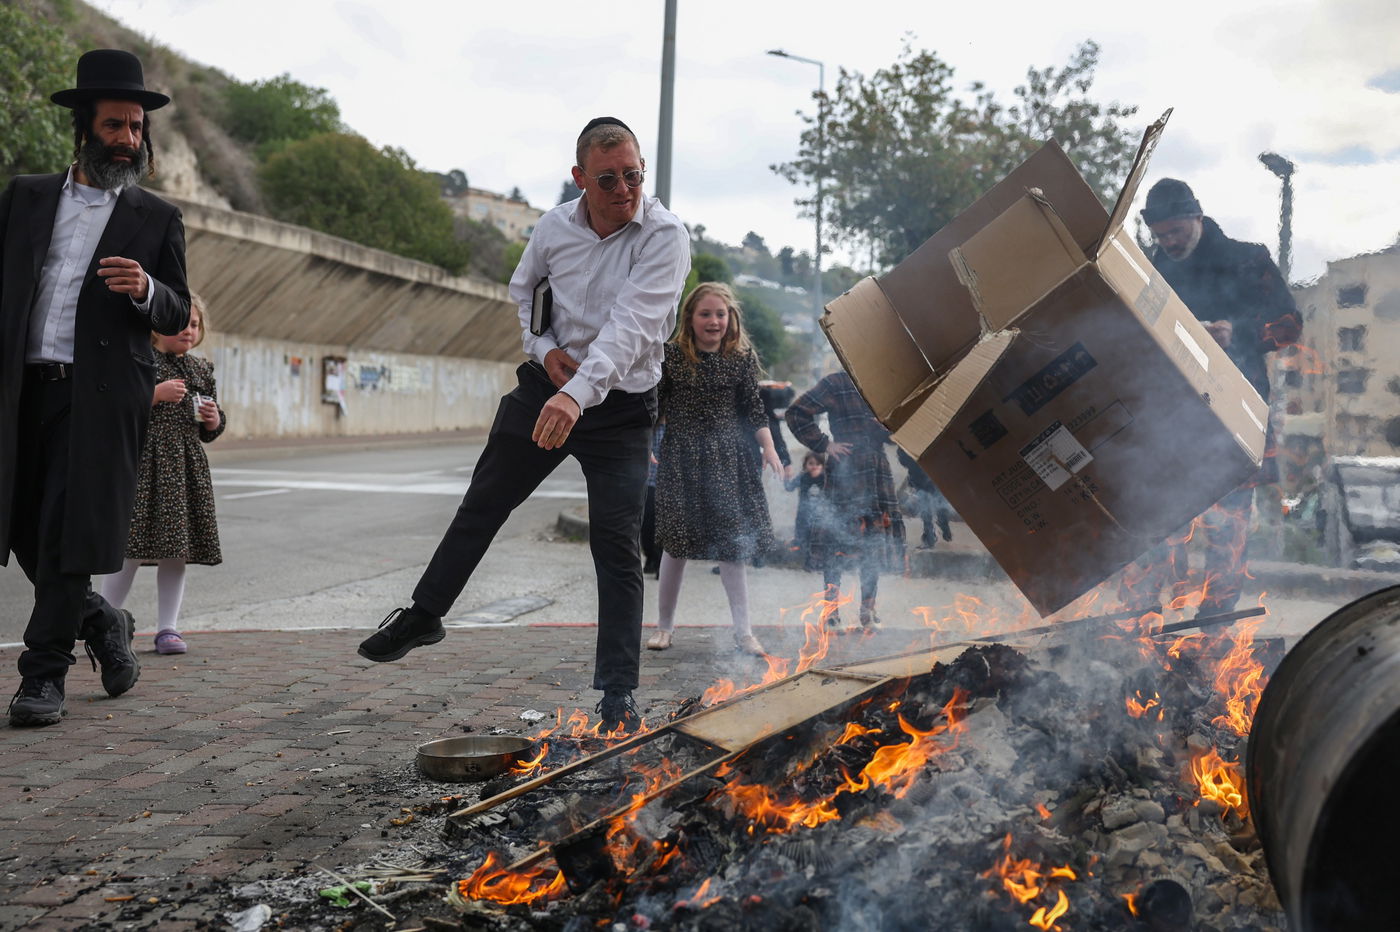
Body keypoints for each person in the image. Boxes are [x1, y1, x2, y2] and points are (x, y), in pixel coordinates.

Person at [358, 117, 689, 734]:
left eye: (634, 176)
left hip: (619, 407)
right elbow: (525, 292)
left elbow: (634, 326)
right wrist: (544, 352)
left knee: (616, 544)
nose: (625, 190)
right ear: (580, 179)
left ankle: (618, 693)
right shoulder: (553, 228)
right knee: (483, 501)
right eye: (609, 178)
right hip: (550, 385)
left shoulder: (665, 235)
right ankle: (425, 613)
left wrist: (581, 391)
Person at [1, 49, 191, 727]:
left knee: (64, 538)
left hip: (100, 398)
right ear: (85, 127)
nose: (128, 139)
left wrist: (146, 291)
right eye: (115, 125)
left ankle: (42, 677)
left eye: (136, 128)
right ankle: (104, 621)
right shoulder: (25, 196)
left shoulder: (155, 216)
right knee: (23, 530)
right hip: (22, 393)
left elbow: (178, 309)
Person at [1130, 178, 1302, 616]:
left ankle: (1217, 617)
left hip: (1234, 409)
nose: (1168, 242)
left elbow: (1289, 325)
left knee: (1228, 520)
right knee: (1159, 513)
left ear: (1197, 217)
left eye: (1176, 232)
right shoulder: (1155, 271)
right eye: (1161, 234)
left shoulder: (1248, 259)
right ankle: (1143, 610)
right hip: (1172, 415)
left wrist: (1237, 331)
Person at [646, 283, 782, 656]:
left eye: (720, 314)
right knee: (675, 546)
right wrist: (644, 444)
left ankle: (744, 632)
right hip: (682, 459)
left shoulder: (740, 358)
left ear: (730, 318)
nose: (714, 321)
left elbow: (754, 411)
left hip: (728, 462)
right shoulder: (671, 356)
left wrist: (769, 449)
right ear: (689, 317)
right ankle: (664, 628)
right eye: (705, 313)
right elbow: (653, 407)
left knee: (732, 548)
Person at [98, 294, 225, 655]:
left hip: (184, 468)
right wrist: (154, 394)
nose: (189, 330)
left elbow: (208, 428)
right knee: (129, 547)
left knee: (176, 551)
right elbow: (117, 406)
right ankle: (104, 622)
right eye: (182, 323)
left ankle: (168, 628)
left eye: (196, 324)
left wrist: (215, 421)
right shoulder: (141, 360)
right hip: (143, 463)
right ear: (157, 327)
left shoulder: (201, 370)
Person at [785, 371, 905, 629]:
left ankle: (867, 611)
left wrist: (888, 426)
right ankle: (831, 612)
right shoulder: (837, 382)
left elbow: (901, 430)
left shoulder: (884, 382)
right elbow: (796, 412)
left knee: (873, 541)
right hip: (844, 468)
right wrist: (824, 444)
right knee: (834, 543)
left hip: (876, 469)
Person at [896, 447, 953, 550]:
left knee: (926, 509)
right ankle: (943, 528)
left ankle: (930, 538)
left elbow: (903, 460)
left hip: (920, 476)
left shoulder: (906, 442)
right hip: (931, 471)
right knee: (938, 500)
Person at [785, 450, 831, 571]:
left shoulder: (826, 479)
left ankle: (819, 564)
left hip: (821, 517)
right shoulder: (802, 477)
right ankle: (807, 564)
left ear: (823, 466)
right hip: (803, 517)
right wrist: (786, 477)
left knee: (818, 541)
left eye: (817, 464)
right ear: (805, 465)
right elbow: (789, 488)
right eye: (811, 463)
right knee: (803, 540)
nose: (814, 466)